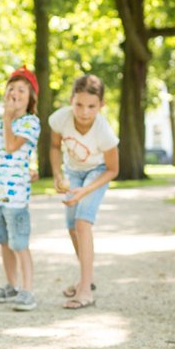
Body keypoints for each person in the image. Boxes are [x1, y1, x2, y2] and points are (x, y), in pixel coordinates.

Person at [49, 74, 119, 309]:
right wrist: (57, 174)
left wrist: (85, 191)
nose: (84, 112)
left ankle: (85, 291)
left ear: (101, 105)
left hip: (97, 172)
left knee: (82, 223)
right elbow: (54, 146)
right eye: (79, 104)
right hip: (73, 171)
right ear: (71, 100)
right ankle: (86, 277)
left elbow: (113, 169)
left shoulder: (104, 132)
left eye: (91, 106)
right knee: (71, 227)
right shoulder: (60, 119)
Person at [0, 67, 42, 312]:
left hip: (15, 197)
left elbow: (11, 147)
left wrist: (8, 119)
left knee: (19, 243)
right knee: (4, 242)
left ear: (30, 100)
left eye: (21, 90)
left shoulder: (30, 123)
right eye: (11, 89)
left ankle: (27, 291)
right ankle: (12, 285)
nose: (14, 93)